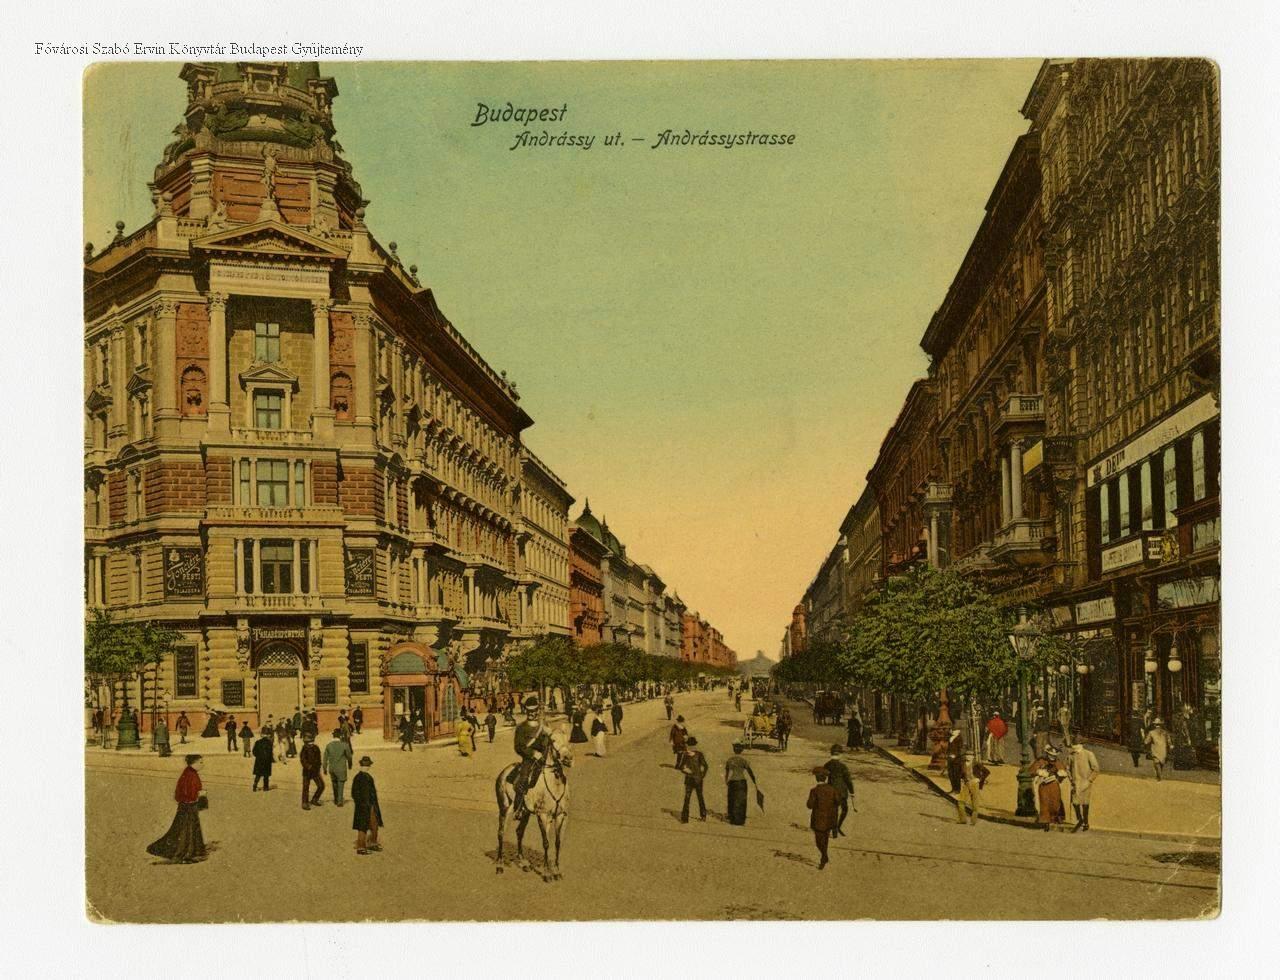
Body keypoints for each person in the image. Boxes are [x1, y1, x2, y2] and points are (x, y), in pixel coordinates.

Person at [147, 754, 207, 864]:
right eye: (200, 762)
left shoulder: (190, 773)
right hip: (188, 806)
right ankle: (184, 855)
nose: (202, 765)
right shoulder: (190, 775)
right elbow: (188, 792)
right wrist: (200, 795)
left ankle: (191, 851)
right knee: (186, 831)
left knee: (187, 829)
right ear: (193, 763)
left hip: (187, 806)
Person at [508, 696, 553, 817]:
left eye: (534, 711)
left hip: (544, 758)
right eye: (529, 711)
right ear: (526, 711)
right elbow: (518, 747)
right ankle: (519, 808)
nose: (532, 713)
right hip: (529, 760)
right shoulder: (521, 727)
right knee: (523, 780)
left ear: (538, 710)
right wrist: (533, 753)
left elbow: (551, 742)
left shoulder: (544, 725)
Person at [807, 768, 840, 870]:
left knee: (819, 841)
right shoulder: (833, 789)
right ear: (825, 778)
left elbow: (809, 805)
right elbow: (838, 801)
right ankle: (824, 857)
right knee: (825, 839)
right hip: (830, 819)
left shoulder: (814, 791)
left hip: (818, 820)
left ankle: (824, 857)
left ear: (817, 778)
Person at [1066, 738, 1100, 832]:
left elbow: (1096, 769)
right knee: (1075, 802)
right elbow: (1067, 768)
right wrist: (1071, 779)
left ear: (1081, 745)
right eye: (1073, 745)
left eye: (1076, 744)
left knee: (1085, 803)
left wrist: (1090, 780)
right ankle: (1080, 819)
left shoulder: (1089, 754)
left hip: (1085, 782)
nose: (1074, 747)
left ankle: (1086, 822)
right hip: (1075, 783)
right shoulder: (1071, 756)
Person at [351, 756, 383, 855]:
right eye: (367, 765)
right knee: (363, 826)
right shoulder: (363, 777)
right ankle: (361, 847)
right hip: (364, 806)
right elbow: (355, 793)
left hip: (369, 805)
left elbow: (354, 793)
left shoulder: (361, 777)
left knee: (374, 824)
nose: (367, 767)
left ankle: (372, 843)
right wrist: (362, 803)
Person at [1032, 746, 1067, 831]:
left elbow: (1063, 771)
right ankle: (1045, 821)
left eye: (1054, 755)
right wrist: (1039, 772)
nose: (1052, 757)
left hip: (1054, 784)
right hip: (1043, 785)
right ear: (1047, 754)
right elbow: (1032, 770)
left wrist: (1061, 774)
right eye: (1051, 755)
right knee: (1044, 802)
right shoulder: (1041, 761)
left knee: (1055, 802)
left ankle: (1054, 818)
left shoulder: (1058, 762)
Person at [823, 745, 855, 837]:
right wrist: (852, 792)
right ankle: (838, 826)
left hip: (831, 790)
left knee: (834, 810)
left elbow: (823, 777)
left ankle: (834, 830)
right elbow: (848, 780)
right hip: (842, 792)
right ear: (840, 755)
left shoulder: (827, 765)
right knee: (844, 809)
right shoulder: (843, 767)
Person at [724, 744, 757, 826]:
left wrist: (726, 781)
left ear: (733, 750)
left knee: (732, 799)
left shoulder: (730, 760)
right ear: (741, 751)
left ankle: (732, 819)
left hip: (732, 781)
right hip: (742, 782)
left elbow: (727, 773)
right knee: (742, 801)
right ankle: (741, 820)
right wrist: (754, 781)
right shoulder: (743, 760)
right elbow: (750, 771)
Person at [678, 736, 708, 822]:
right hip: (694, 779)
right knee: (695, 797)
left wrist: (686, 771)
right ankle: (700, 816)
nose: (690, 747)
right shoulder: (692, 755)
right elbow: (705, 766)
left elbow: (681, 767)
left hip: (693, 779)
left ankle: (687, 818)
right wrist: (701, 775)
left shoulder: (691, 755)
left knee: (692, 797)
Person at [955, 753, 989, 826]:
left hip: (974, 784)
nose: (968, 756)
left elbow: (987, 772)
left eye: (970, 755)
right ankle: (963, 819)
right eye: (966, 755)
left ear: (973, 757)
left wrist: (979, 779)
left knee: (975, 803)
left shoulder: (977, 764)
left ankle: (973, 821)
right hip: (966, 784)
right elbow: (961, 774)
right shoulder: (963, 764)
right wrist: (962, 778)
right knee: (960, 801)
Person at [323, 728, 353, 806]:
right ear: (340, 736)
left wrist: (324, 768)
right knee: (341, 784)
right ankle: (339, 801)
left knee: (334, 783)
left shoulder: (329, 745)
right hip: (341, 768)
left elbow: (325, 758)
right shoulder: (344, 745)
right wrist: (350, 765)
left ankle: (336, 799)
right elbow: (349, 757)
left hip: (332, 768)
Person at [299, 733, 325, 810]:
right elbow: (303, 760)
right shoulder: (304, 749)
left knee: (321, 786)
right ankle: (305, 803)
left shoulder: (316, 748)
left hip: (315, 771)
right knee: (306, 787)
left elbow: (319, 759)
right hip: (307, 771)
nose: (310, 743)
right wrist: (308, 766)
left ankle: (314, 799)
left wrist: (318, 768)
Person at [1144, 717, 1170, 781]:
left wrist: (1144, 739)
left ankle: (1159, 776)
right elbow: (1169, 741)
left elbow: (1146, 742)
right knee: (1161, 763)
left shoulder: (1151, 732)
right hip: (1163, 750)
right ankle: (1159, 776)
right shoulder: (1165, 732)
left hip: (1155, 750)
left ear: (1154, 725)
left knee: (1156, 763)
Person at [945, 727, 965, 793]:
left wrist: (955, 755)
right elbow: (948, 748)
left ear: (956, 731)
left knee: (956, 774)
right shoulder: (950, 738)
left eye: (952, 730)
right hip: (950, 758)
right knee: (951, 774)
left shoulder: (959, 738)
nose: (950, 731)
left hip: (956, 759)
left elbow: (961, 749)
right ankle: (953, 788)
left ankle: (957, 789)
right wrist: (947, 754)